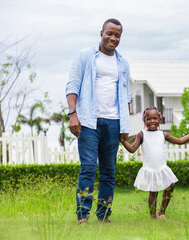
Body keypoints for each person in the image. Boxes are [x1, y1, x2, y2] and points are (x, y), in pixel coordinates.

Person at [65, 18, 131, 225]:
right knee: (88, 167)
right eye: (109, 33)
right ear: (101, 32)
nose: (113, 38)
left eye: (117, 35)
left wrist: (125, 125)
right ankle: (83, 215)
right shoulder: (85, 55)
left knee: (109, 171)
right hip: (88, 121)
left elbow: (126, 95)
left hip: (113, 121)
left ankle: (103, 215)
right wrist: (72, 114)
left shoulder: (122, 63)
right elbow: (72, 85)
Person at [121, 106, 189, 219]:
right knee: (153, 192)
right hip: (150, 168)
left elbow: (180, 141)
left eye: (155, 118)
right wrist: (122, 140)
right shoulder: (142, 134)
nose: (152, 121)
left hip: (162, 168)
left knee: (170, 185)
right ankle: (153, 216)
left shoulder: (163, 134)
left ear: (160, 120)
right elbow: (132, 149)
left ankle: (162, 212)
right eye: (149, 119)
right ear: (144, 120)